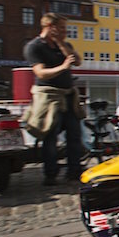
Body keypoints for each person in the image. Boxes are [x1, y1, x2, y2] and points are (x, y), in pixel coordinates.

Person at [23, 12, 83, 186]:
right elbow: (40, 73)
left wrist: (61, 44)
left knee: (74, 135)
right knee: (50, 136)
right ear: (50, 27)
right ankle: (50, 174)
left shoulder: (64, 45)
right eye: (62, 28)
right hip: (49, 96)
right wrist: (63, 67)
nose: (66, 31)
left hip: (68, 95)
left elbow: (77, 61)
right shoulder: (34, 47)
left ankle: (74, 171)